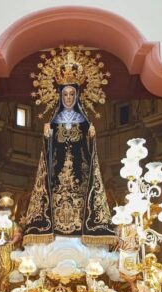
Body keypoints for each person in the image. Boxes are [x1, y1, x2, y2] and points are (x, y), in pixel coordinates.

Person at [22, 82, 114, 245]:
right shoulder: (53, 122)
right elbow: (48, 152)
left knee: (82, 199)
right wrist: (47, 136)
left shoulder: (85, 122)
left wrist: (91, 137)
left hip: (80, 176)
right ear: (60, 96)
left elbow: (89, 152)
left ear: (77, 96)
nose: (69, 97)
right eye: (65, 94)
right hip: (56, 176)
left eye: (72, 94)